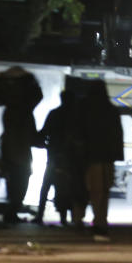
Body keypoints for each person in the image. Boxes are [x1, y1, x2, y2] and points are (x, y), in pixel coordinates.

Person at [80, 81, 123, 236]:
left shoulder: (86, 109)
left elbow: (82, 132)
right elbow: (117, 134)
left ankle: (98, 220)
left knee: (95, 190)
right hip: (107, 157)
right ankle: (101, 220)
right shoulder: (111, 110)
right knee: (104, 190)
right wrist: (117, 154)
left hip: (93, 156)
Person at [33, 91, 78, 226]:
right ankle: (64, 218)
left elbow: (44, 132)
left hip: (53, 156)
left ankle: (40, 215)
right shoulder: (76, 116)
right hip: (70, 159)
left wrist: (39, 141)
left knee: (46, 186)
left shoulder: (54, 114)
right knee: (65, 187)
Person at [0, 100, 36, 224]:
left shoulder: (9, 110)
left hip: (10, 154)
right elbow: (32, 136)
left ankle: (11, 212)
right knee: (20, 185)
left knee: (13, 185)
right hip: (21, 156)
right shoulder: (26, 113)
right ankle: (12, 212)